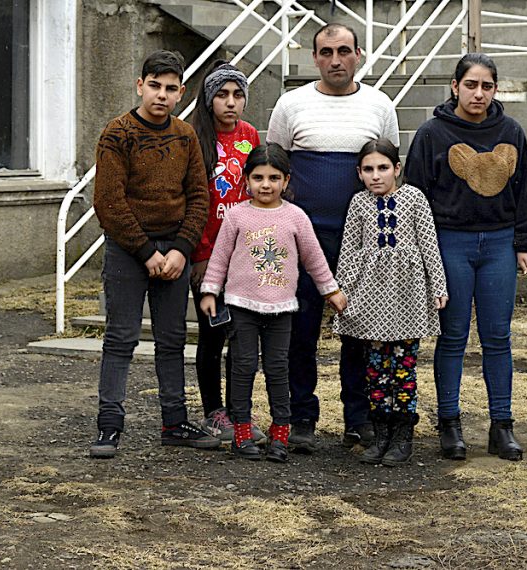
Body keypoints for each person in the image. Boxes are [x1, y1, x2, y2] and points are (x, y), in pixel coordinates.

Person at [266, 23, 400, 453]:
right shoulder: (291, 105)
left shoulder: (379, 105)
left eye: (344, 51)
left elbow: (387, 168)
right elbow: (275, 165)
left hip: (361, 242)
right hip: (303, 240)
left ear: (359, 54)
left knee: (359, 329)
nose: (336, 60)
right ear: (315, 57)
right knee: (300, 328)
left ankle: (358, 418)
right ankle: (301, 415)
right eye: (326, 52)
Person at [405, 53, 527, 462]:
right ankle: (449, 423)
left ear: (495, 90)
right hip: (451, 244)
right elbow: (416, 197)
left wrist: (526, 244)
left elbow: (524, 190)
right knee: (453, 336)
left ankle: (502, 425)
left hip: (499, 244)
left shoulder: (511, 131)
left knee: (498, 337)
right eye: (471, 85)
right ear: (455, 86)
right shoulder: (432, 134)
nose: (478, 93)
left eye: (486, 86)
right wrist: (422, 257)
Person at [89, 50, 218, 458]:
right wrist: (146, 252)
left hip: (174, 248)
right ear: (140, 85)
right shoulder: (117, 133)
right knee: (121, 338)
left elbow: (199, 196)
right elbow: (108, 201)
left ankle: (175, 422)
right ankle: (109, 426)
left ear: (181, 93)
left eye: (170, 89)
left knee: (172, 338)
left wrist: (180, 249)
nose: (161, 95)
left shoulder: (185, 136)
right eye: (154, 86)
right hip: (129, 250)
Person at [199, 144, 348, 462]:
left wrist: (330, 290)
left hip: (281, 309)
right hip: (241, 307)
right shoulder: (237, 215)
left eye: (274, 178)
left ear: (286, 180)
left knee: (279, 369)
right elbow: (220, 257)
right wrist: (211, 291)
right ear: (246, 180)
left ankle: (280, 434)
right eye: (258, 177)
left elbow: (314, 259)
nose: (265, 185)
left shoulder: (296, 217)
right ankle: (241, 433)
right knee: (243, 368)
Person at [333, 138, 448, 466]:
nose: (376, 175)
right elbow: (349, 249)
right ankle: (381, 434)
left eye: (383, 167)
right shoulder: (359, 204)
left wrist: (438, 285)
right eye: (368, 169)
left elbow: (429, 245)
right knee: (376, 369)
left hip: (407, 296)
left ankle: (402, 436)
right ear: (359, 173)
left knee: (403, 369)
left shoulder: (414, 199)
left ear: (397, 168)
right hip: (371, 298)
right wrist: (341, 289)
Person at [188, 60, 263, 443]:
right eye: (222, 95)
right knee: (213, 333)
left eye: (237, 95)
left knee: (242, 335)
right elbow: (195, 203)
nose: (230, 103)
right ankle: (213, 411)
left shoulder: (250, 136)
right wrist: (200, 258)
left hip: (245, 256)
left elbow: (263, 189)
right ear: (208, 99)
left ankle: (239, 410)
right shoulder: (194, 137)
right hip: (208, 258)